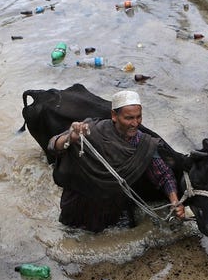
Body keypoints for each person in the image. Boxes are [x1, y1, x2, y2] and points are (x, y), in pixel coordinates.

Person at [47, 90, 185, 232]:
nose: (135, 123)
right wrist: (70, 138)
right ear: (114, 116)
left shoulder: (144, 143)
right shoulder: (91, 130)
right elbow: (53, 145)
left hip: (113, 205)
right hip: (79, 203)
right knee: (72, 237)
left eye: (139, 117)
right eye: (129, 118)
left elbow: (163, 175)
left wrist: (174, 201)